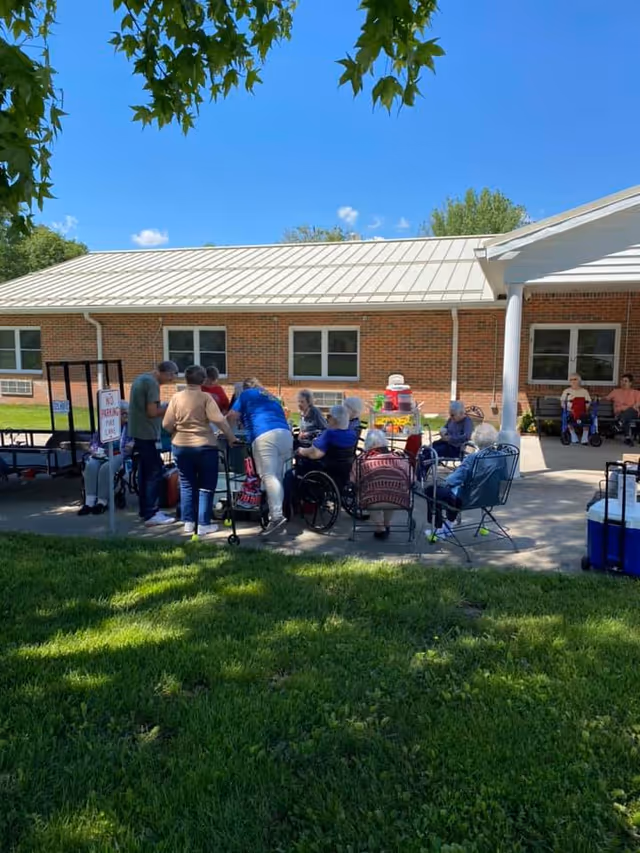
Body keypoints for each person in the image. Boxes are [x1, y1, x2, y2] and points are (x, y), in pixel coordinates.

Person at [163, 365, 238, 535]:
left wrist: (177, 429)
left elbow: (166, 424)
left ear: (186, 379)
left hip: (181, 446)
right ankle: (203, 523)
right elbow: (219, 420)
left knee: (187, 484)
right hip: (205, 446)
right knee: (206, 485)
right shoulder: (206, 397)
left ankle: (188, 522)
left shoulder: (176, 398)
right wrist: (231, 437)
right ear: (203, 380)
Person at [227, 378, 293, 536]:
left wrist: (226, 432)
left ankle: (277, 517)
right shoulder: (270, 396)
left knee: (268, 476)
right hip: (285, 435)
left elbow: (232, 415)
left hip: (264, 435)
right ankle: (276, 517)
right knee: (276, 476)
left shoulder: (246, 394)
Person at [425, 423, 500, 538]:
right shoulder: (500, 457)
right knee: (451, 492)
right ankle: (449, 526)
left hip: (469, 498)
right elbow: (504, 476)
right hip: (491, 496)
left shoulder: (472, 458)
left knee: (432, 490)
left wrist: (445, 482)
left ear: (475, 439)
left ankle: (438, 529)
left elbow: (452, 480)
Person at [128, 360, 178, 526]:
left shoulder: (141, 379)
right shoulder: (152, 384)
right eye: (171, 375)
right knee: (154, 472)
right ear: (164, 373)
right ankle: (151, 513)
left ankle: (147, 509)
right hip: (146, 433)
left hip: (139, 432)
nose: (171, 380)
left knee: (145, 472)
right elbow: (152, 412)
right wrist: (172, 408)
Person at [284, 405, 357, 517]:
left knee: (289, 475)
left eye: (328, 416)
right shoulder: (352, 434)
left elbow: (315, 454)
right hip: (343, 471)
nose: (327, 419)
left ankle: (288, 509)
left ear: (335, 419)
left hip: (324, 470)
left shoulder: (329, 434)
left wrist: (300, 450)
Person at [78, 402, 134, 516]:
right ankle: (89, 502)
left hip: (119, 454)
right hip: (102, 454)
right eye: (123, 414)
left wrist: (132, 443)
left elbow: (137, 439)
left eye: (126, 414)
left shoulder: (130, 427)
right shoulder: (106, 425)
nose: (125, 416)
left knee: (106, 468)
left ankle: (101, 502)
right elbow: (94, 442)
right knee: (91, 466)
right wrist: (94, 449)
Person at [354, 429, 409, 540]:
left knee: (371, 494)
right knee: (391, 491)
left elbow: (353, 479)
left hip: (373, 502)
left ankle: (380, 527)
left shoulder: (362, 460)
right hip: (399, 501)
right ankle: (387, 523)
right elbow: (412, 478)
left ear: (369, 444)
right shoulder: (398, 458)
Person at [604, 373, 640, 446]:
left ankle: (619, 424)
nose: (623, 383)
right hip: (619, 413)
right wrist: (598, 398)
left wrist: (629, 408)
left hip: (633, 412)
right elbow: (606, 398)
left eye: (626, 381)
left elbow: (637, 404)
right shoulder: (615, 392)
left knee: (629, 412)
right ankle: (627, 438)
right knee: (625, 416)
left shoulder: (636, 393)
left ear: (630, 383)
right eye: (622, 381)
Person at [560, 374, 591, 445]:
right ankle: (573, 436)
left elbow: (588, 402)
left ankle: (584, 438)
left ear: (579, 381)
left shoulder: (584, 391)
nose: (573, 381)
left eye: (575, 379)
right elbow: (562, 403)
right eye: (571, 380)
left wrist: (584, 408)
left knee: (587, 419)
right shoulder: (566, 391)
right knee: (567, 417)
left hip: (582, 410)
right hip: (570, 410)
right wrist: (569, 409)